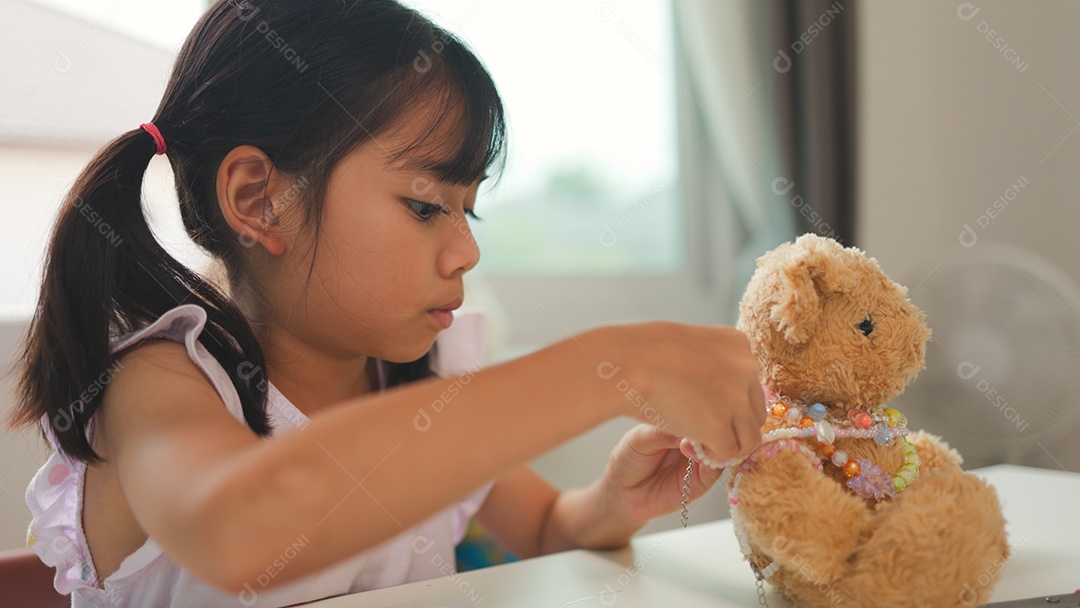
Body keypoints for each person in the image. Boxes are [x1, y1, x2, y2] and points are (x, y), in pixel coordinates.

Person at [7, 0, 765, 606]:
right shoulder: (163, 383)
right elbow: (242, 529)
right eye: (426, 205)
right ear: (259, 200)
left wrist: (614, 501)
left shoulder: (424, 383)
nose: (466, 251)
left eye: (473, 212)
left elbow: (542, 525)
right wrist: (609, 365)